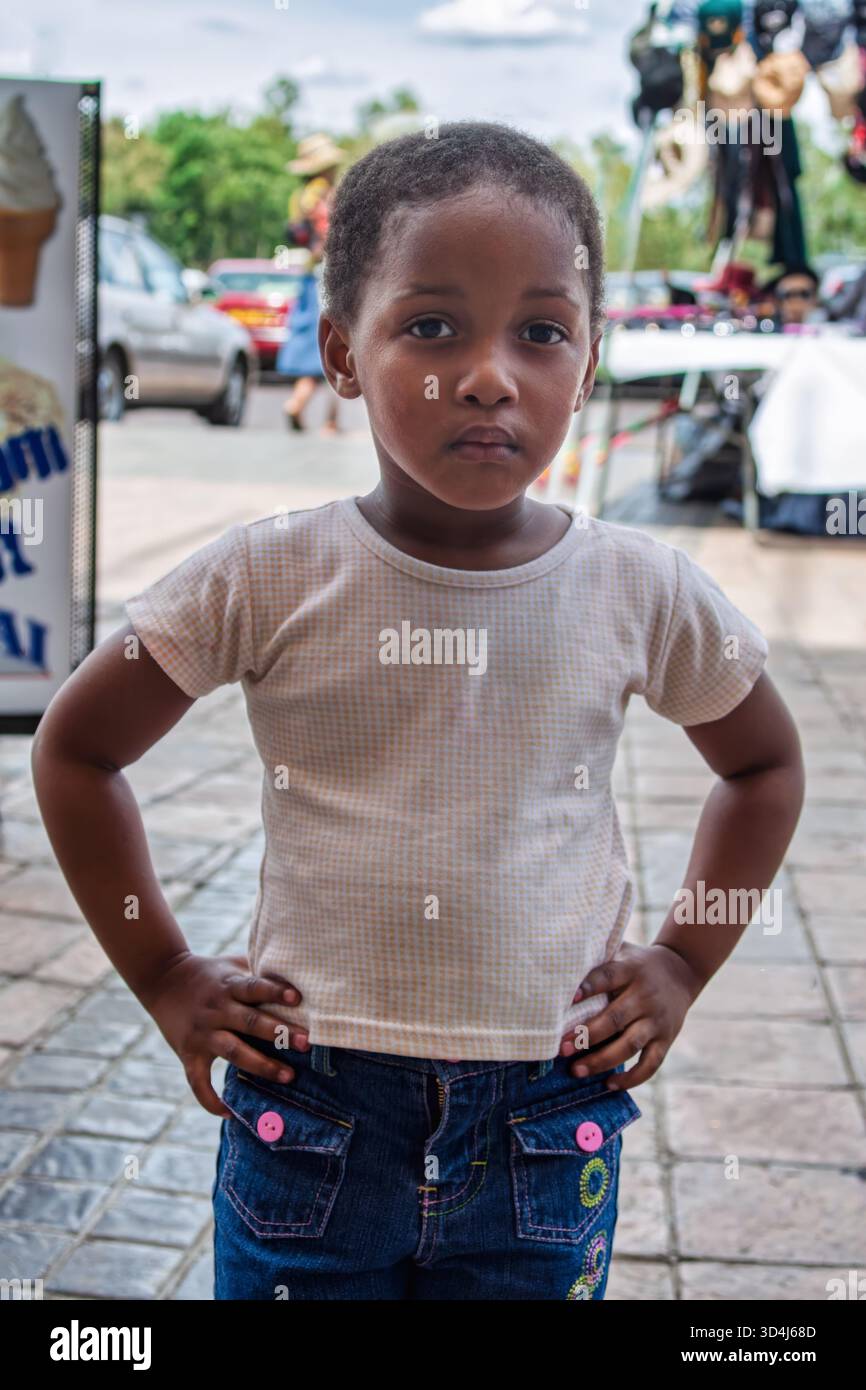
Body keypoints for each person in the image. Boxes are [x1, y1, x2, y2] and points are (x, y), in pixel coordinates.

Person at [30, 121, 805, 1302]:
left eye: (541, 331)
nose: (489, 373)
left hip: (547, 1113)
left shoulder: (637, 588)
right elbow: (77, 748)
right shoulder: (266, 573)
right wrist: (165, 973)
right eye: (432, 325)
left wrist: (686, 960)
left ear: (589, 364)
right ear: (342, 351)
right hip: (313, 1108)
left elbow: (763, 768)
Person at [280, 133, 344, 434]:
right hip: (325, 270)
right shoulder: (322, 192)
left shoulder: (299, 195)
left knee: (312, 340)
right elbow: (329, 231)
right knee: (338, 339)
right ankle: (328, 421)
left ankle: (299, 402)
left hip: (308, 271)